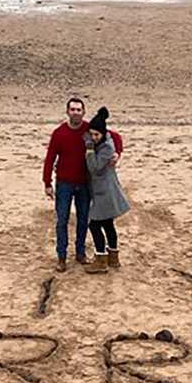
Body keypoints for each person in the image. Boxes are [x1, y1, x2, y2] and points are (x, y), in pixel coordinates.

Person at [42, 97, 123, 272]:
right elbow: (50, 158)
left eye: (79, 110)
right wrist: (47, 182)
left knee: (83, 220)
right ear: (67, 112)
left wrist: (117, 153)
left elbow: (114, 137)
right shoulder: (59, 133)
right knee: (62, 220)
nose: (76, 112)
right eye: (73, 109)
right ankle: (61, 257)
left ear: (83, 112)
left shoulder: (89, 130)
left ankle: (80, 254)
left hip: (85, 184)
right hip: (64, 183)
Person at [82, 107, 130, 274]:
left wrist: (89, 150)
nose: (94, 138)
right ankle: (113, 258)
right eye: (92, 134)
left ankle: (101, 259)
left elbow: (95, 168)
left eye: (97, 135)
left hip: (105, 192)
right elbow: (115, 136)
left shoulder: (106, 148)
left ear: (103, 133)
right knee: (108, 224)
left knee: (94, 225)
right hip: (104, 190)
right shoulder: (106, 141)